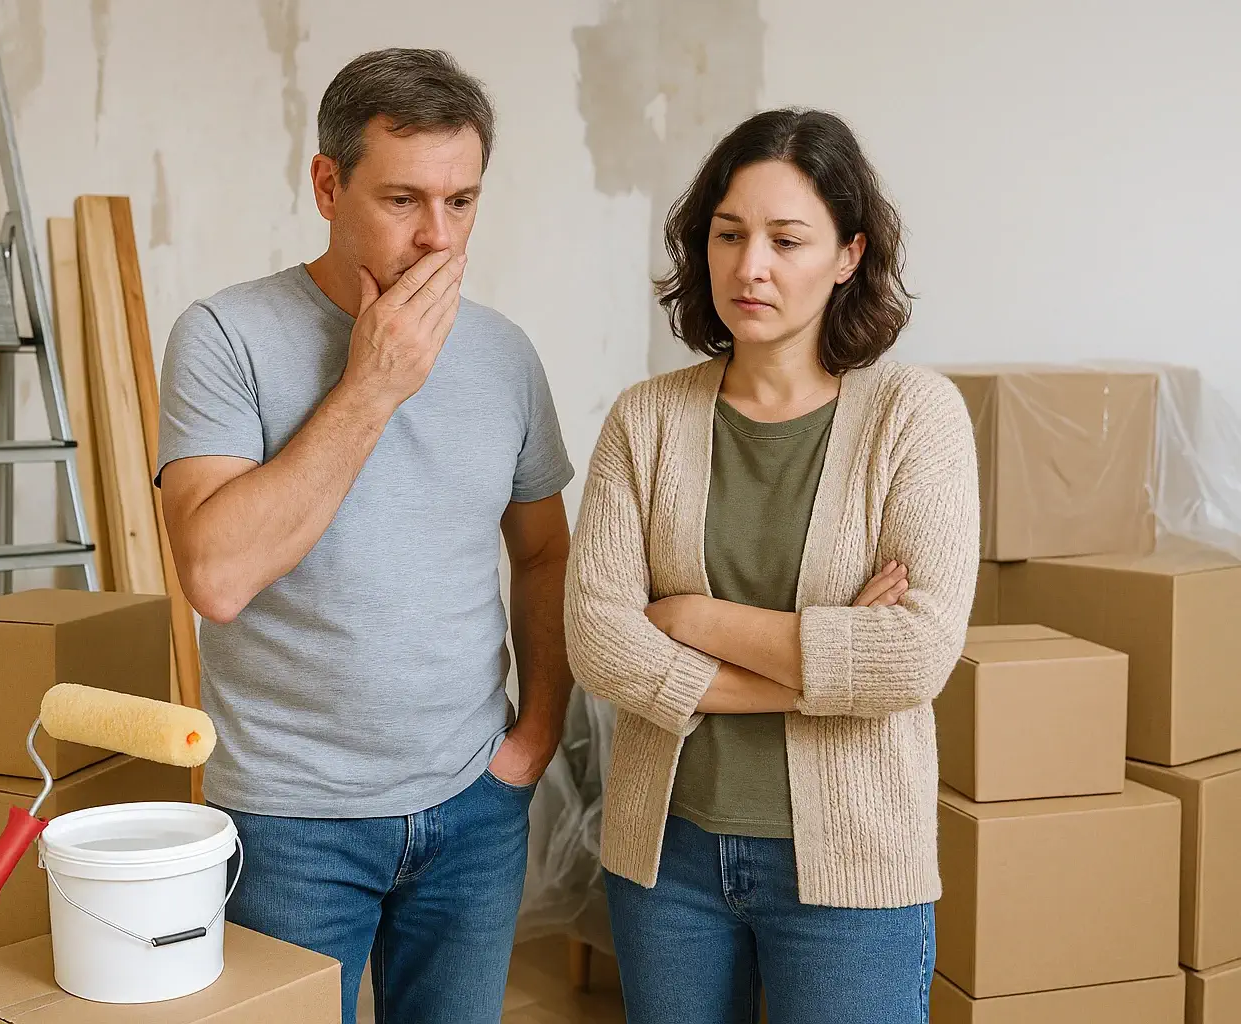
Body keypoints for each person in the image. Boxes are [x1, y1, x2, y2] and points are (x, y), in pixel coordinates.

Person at [155, 48, 574, 1024]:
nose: (438, 238)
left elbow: (546, 551)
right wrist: (372, 384)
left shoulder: (506, 355)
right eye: (403, 200)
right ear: (327, 184)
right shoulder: (223, 337)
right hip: (290, 820)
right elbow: (216, 575)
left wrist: (538, 729)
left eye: (462, 202)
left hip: (474, 806)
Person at [564, 107, 979, 1024]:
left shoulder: (916, 416)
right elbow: (597, 642)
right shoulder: (646, 419)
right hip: (666, 854)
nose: (750, 267)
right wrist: (811, 669)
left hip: (853, 865)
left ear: (847, 255)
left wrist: (692, 618)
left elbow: (912, 657)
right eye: (728, 234)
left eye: (787, 240)